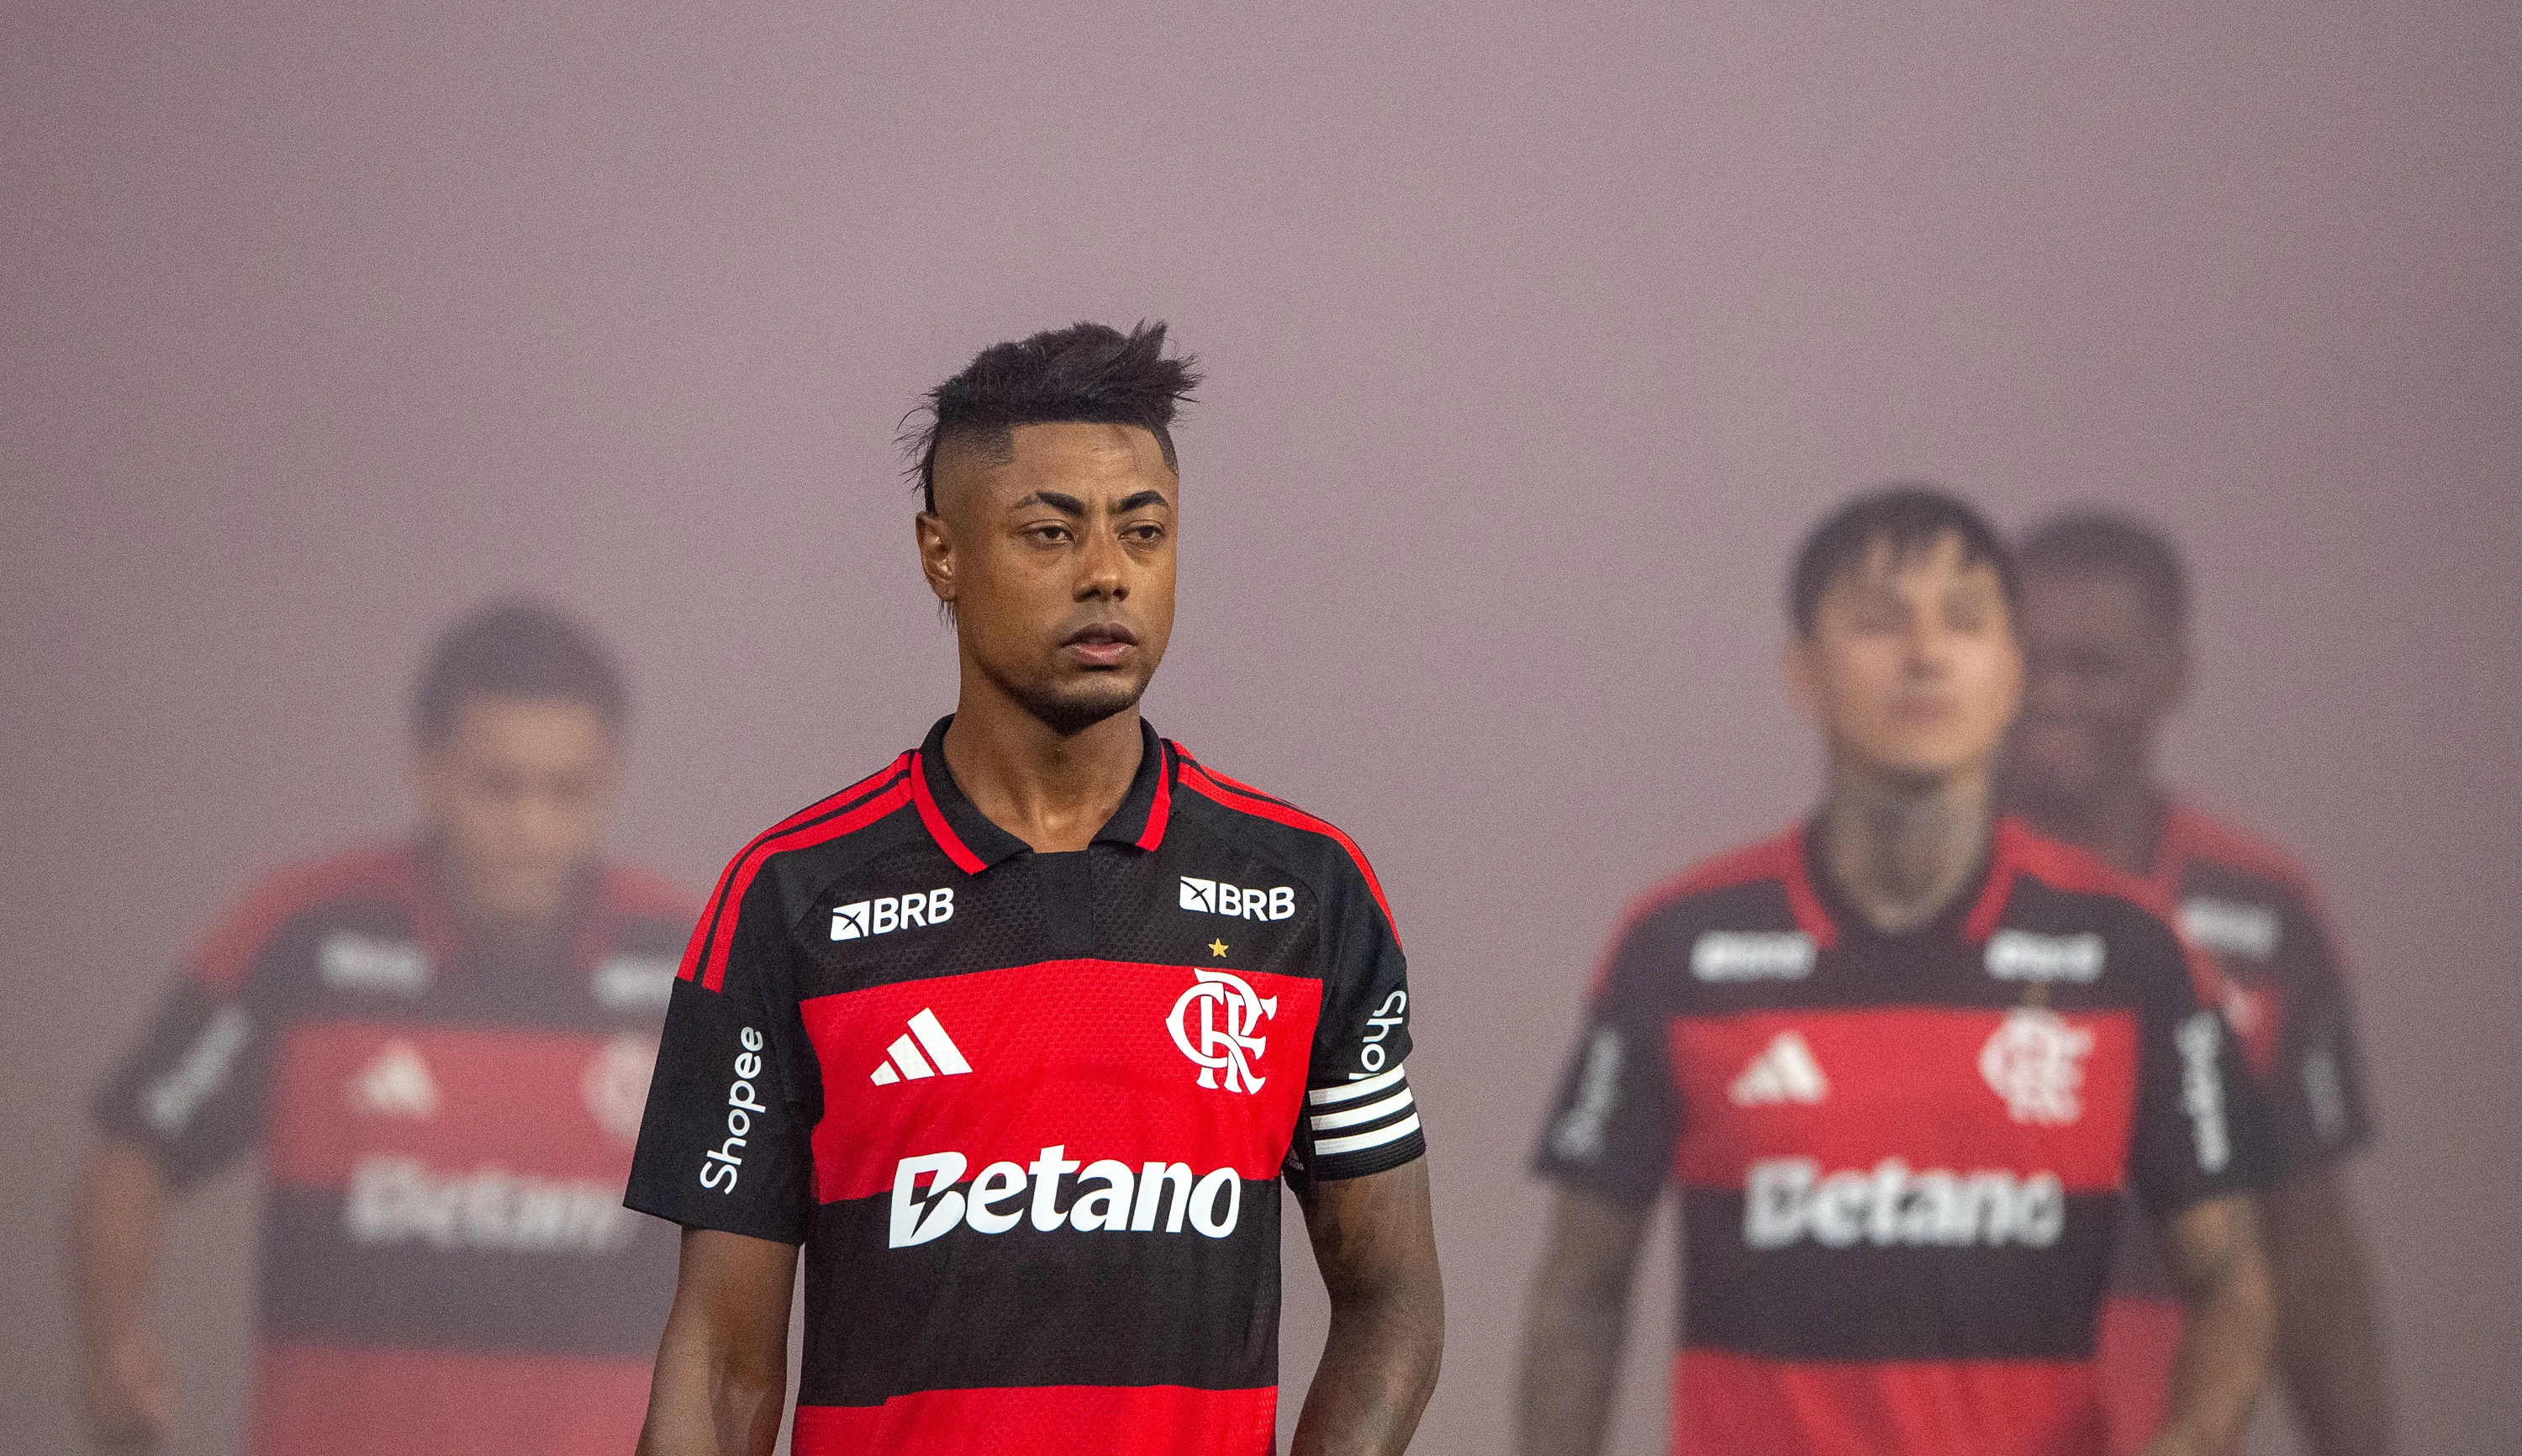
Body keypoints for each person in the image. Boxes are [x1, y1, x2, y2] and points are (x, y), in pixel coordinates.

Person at [626, 322, 1443, 1456]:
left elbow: (1391, 1302)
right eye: (1051, 532)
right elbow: (719, 1362)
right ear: (940, 552)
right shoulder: (791, 897)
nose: (1108, 573)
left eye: (1144, 532)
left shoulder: (1308, 893)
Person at [1517, 488, 2275, 1456]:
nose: (1924, 653)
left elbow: (2232, 1282)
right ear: (1804, 673)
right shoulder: (1680, 944)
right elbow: (1580, 1290)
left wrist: (2193, 1436)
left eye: (1964, 621)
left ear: (2010, 673)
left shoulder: (2133, 951)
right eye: (1878, 621)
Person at [71, 601, 694, 1455]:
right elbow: (135, 1145)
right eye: (499, 784)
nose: (532, 825)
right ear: (428, 766)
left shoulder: (685, 961)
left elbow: (776, 1206)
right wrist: (112, 1341)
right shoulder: (306, 936)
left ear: (612, 778)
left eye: (566, 790)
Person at [2003, 511, 2387, 1456]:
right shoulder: (1908, 902)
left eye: (2093, 666)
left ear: (2174, 672)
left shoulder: (2261, 909)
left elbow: (2307, 1241)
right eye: (2030, 662)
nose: (2055, 694)